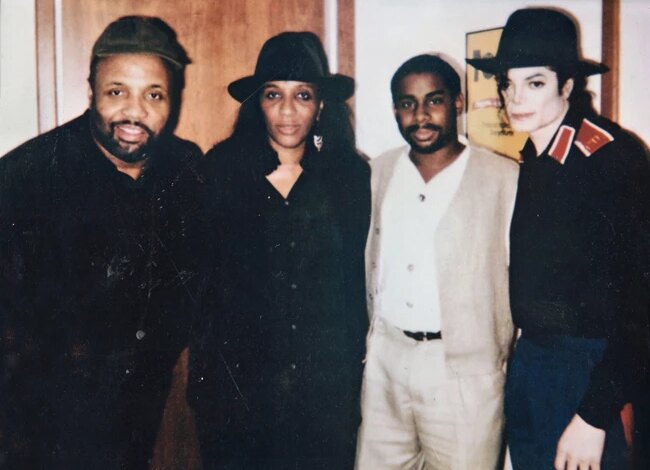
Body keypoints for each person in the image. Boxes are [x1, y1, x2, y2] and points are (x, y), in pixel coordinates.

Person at [0, 16, 202, 469]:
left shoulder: (185, 169)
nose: (135, 111)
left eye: (154, 94)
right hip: (39, 429)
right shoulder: (25, 178)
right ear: (91, 90)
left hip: (142, 415)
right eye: (117, 92)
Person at [467, 8, 650, 470]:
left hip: (590, 375)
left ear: (567, 84)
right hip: (534, 362)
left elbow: (640, 305)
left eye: (535, 83)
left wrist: (595, 415)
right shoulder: (536, 157)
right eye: (508, 83)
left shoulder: (612, 159)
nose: (515, 97)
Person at [187, 32, 370, 469]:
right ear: (257, 103)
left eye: (302, 95)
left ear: (321, 105)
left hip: (325, 391)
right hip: (238, 391)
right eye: (274, 95)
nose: (288, 111)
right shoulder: (219, 172)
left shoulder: (350, 178)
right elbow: (201, 284)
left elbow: (359, 281)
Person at [355, 54, 519, 469]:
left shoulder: (505, 179)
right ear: (395, 109)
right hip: (386, 365)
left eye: (434, 100)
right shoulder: (378, 172)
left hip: (464, 372)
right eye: (408, 103)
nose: (421, 115)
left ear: (458, 104)